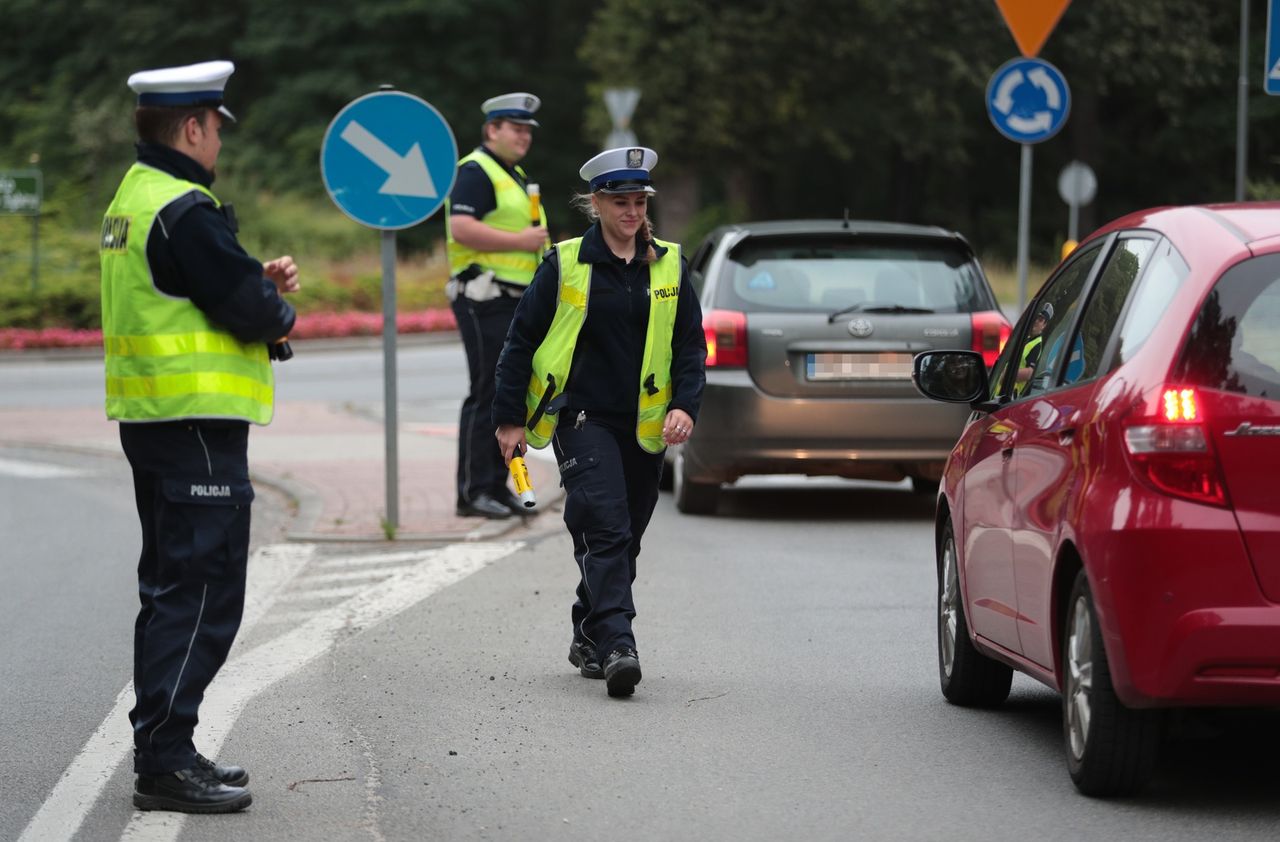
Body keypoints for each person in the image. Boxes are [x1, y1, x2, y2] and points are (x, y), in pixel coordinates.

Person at [100, 60, 299, 813]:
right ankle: (165, 762)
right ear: (192, 127)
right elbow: (246, 306)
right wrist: (274, 307)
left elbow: (201, 286)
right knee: (203, 589)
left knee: (171, 587)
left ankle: (165, 746)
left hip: (155, 421)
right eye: (216, 126)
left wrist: (254, 284)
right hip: (195, 429)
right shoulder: (185, 206)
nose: (219, 139)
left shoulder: (134, 196)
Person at [492, 147, 707, 698]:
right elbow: (520, 342)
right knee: (605, 527)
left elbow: (688, 347)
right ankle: (618, 644)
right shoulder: (565, 263)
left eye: (639, 202)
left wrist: (686, 406)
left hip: (647, 424)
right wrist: (508, 419)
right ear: (597, 204)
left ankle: (589, 628)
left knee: (627, 537)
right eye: (620, 202)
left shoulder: (670, 264)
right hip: (581, 417)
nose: (631, 212)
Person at [445, 92, 550, 519]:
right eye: (516, 128)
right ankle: (472, 493)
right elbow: (460, 227)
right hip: (484, 297)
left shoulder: (514, 174)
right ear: (492, 130)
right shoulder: (476, 171)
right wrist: (520, 242)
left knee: (506, 396)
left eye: (528, 130)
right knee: (487, 392)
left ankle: (498, 486)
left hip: (513, 300)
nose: (524, 136)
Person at [1014, 301, 1053, 395]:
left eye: (1040, 320)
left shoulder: (1037, 345)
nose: (1036, 321)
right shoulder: (1027, 338)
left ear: (1044, 325)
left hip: (1014, 393)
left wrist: (1007, 376)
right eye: (1036, 318)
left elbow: (1029, 373)